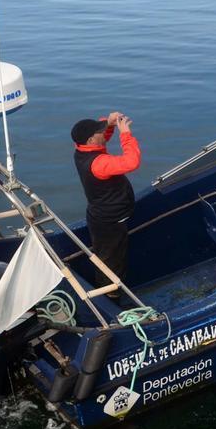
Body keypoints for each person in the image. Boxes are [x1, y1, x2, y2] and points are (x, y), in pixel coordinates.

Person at [71, 111, 141, 296]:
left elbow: (102, 138)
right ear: (91, 140)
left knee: (107, 257)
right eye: (100, 132)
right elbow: (131, 162)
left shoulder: (81, 150)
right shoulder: (100, 163)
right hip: (110, 222)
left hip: (100, 214)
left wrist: (109, 123)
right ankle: (112, 299)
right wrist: (125, 134)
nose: (104, 133)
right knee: (111, 264)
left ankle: (110, 291)